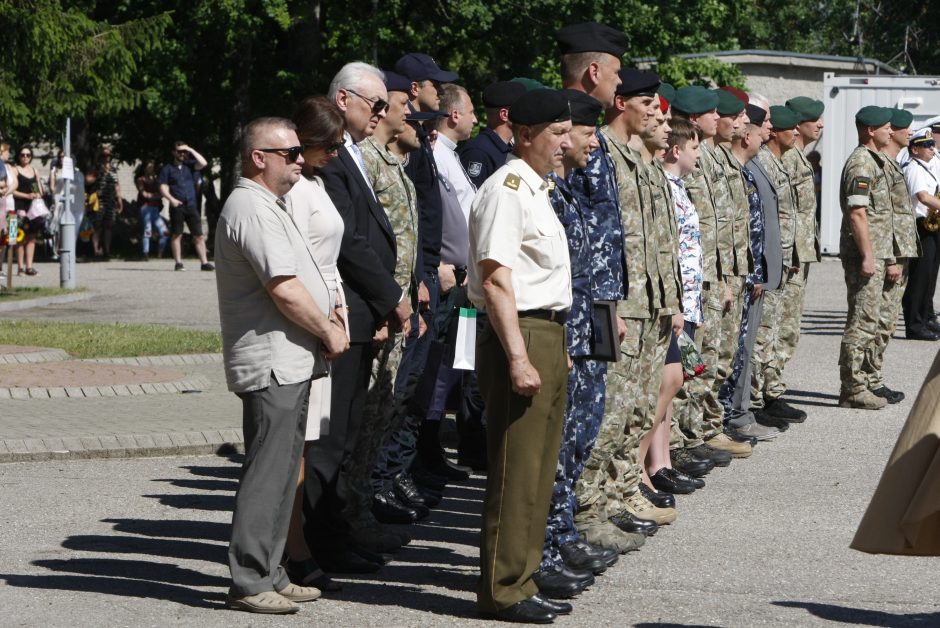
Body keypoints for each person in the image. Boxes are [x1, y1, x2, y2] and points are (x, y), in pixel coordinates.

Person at [216, 116, 348, 614]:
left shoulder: (270, 203)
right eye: (289, 152)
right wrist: (329, 329)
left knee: (281, 471)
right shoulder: (250, 205)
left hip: (291, 360)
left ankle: (272, 570)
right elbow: (284, 288)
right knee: (267, 474)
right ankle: (249, 580)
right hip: (273, 361)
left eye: (298, 152)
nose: (299, 159)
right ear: (259, 158)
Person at [304, 61, 412, 573]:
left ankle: (336, 535)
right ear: (344, 100)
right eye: (376, 104)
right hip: (344, 313)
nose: (384, 113)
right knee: (330, 440)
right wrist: (392, 295)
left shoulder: (352, 155)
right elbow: (349, 239)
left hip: (363, 315)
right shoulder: (327, 158)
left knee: (346, 436)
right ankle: (319, 545)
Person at [471, 87, 573, 624]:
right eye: (556, 133)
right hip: (521, 334)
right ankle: (501, 588)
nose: (565, 142)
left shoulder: (537, 190)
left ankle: (523, 578)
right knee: (516, 469)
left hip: (546, 333)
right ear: (526, 135)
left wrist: (555, 348)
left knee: (538, 470)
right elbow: (495, 280)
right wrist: (518, 356)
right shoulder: (507, 190)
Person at [537, 89, 617, 603]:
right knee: (554, 445)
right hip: (564, 328)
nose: (589, 144)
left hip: (590, 322)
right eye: (585, 134)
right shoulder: (538, 188)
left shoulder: (567, 185)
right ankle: (542, 548)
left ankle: (561, 533)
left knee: (578, 438)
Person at [282, 95, 349, 594]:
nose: (338, 152)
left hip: (327, 310)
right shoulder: (291, 191)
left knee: (309, 439)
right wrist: (322, 318)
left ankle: (296, 542)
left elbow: (329, 258)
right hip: (304, 322)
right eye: (330, 144)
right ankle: (292, 546)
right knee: (296, 446)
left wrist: (340, 305)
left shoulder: (316, 183)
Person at [838, 106, 898, 410]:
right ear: (871, 130)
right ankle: (852, 387)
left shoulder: (877, 161)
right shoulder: (861, 162)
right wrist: (867, 255)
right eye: (886, 127)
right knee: (861, 322)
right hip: (864, 255)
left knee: (871, 320)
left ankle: (863, 382)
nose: (892, 130)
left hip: (877, 252)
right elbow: (858, 213)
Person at [902, 129, 940, 341]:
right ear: (914, 149)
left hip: (930, 224)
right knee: (919, 278)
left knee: (929, 276)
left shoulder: (927, 167)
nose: (931, 149)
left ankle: (925, 319)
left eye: (932, 144)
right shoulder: (915, 168)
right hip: (919, 226)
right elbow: (923, 197)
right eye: (927, 146)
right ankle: (914, 325)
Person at [459, 80, 526, 187]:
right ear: (504, 114)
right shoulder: (478, 153)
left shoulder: (509, 148)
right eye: (522, 108)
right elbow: (471, 200)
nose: (528, 113)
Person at [159, 141, 213, 271]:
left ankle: (204, 263)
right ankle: (178, 262)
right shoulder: (167, 169)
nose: (182, 154)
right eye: (179, 151)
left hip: (191, 205)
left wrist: (190, 148)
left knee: (198, 235)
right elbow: (163, 187)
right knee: (177, 234)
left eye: (184, 152)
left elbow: (204, 163)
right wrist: (171, 199)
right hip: (177, 206)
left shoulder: (190, 166)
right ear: (173, 152)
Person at [10, 145, 45, 276]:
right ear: (18, 156)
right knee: (19, 237)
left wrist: (37, 193)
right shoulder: (15, 170)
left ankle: (29, 267)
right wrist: (26, 196)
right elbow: (12, 190)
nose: (25, 157)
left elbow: (39, 190)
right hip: (18, 206)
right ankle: (20, 267)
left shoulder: (34, 170)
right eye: (22, 155)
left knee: (32, 237)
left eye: (28, 155)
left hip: (33, 208)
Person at [92, 147, 122, 260]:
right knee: (97, 226)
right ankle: (95, 250)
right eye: (104, 155)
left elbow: (117, 184)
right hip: (99, 201)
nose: (106, 158)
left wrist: (119, 199)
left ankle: (107, 250)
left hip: (111, 201)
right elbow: (89, 179)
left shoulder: (114, 170)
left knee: (109, 226)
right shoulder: (97, 168)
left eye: (108, 155)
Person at [135, 160, 168, 259]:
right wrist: (156, 196)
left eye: (152, 167)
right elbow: (144, 194)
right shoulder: (140, 180)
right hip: (145, 208)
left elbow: (161, 194)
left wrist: (152, 196)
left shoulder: (156, 180)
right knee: (147, 229)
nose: (151, 169)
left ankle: (160, 253)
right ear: (144, 168)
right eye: (149, 167)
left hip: (155, 208)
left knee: (164, 231)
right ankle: (146, 252)